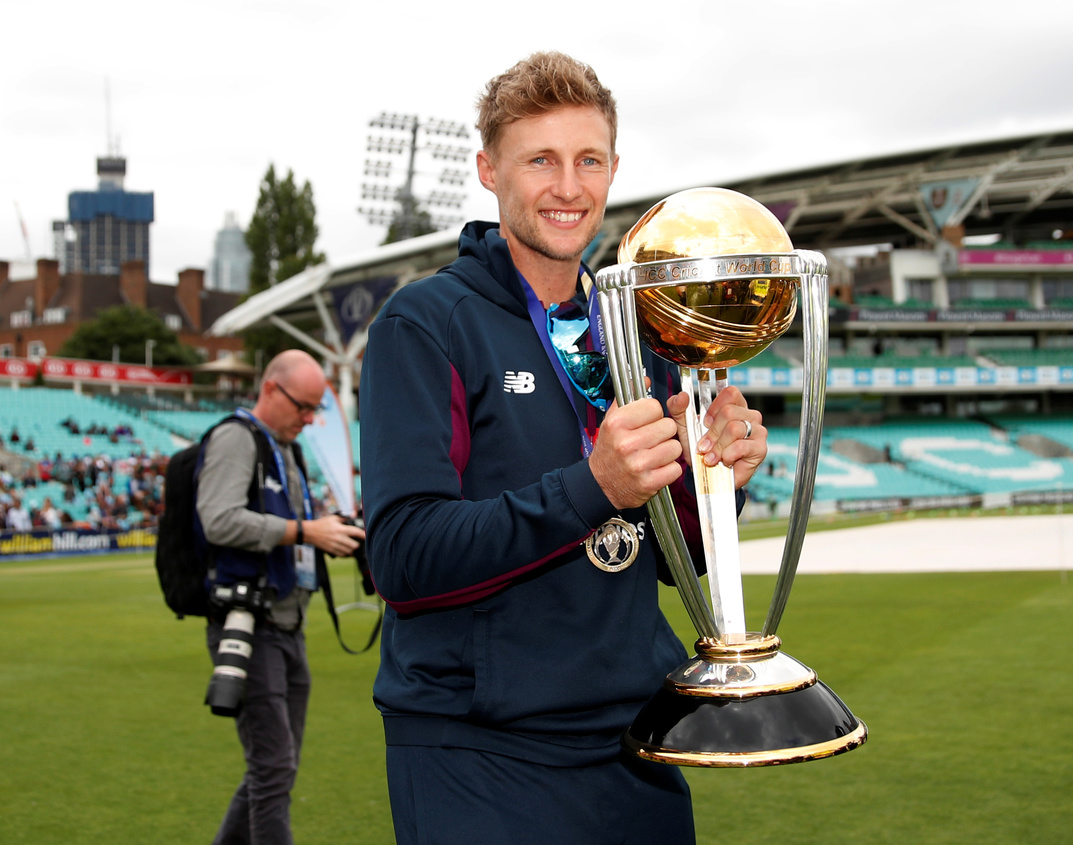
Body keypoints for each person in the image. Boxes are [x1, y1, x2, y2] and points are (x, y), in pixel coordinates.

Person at [360, 52, 769, 845]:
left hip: (635, 738)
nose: (569, 187)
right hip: (478, 752)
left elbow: (666, 554)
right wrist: (594, 484)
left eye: (589, 160)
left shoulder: (634, 332)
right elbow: (404, 557)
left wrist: (713, 483)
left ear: (614, 168)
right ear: (489, 170)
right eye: (540, 160)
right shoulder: (425, 324)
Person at [195, 348, 365, 845]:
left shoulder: (284, 447)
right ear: (271, 389)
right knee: (272, 770)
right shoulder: (237, 437)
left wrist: (328, 532)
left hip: (287, 624)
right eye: (303, 407)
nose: (310, 419)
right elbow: (218, 519)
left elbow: (292, 528)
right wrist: (305, 531)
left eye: (315, 409)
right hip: (249, 624)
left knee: (274, 769)